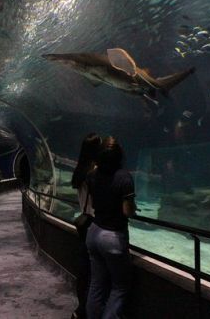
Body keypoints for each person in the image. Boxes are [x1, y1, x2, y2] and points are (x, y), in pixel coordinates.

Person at [86, 136, 136, 319]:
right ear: (120, 156)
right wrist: (133, 207)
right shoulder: (124, 177)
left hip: (94, 231)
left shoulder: (92, 175)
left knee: (96, 285)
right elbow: (127, 211)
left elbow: (93, 202)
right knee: (120, 287)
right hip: (113, 236)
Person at [71, 133, 102, 319]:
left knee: (84, 266)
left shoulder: (79, 170)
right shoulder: (95, 171)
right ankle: (86, 310)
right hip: (94, 221)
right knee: (95, 270)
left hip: (83, 221)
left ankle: (81, 307)